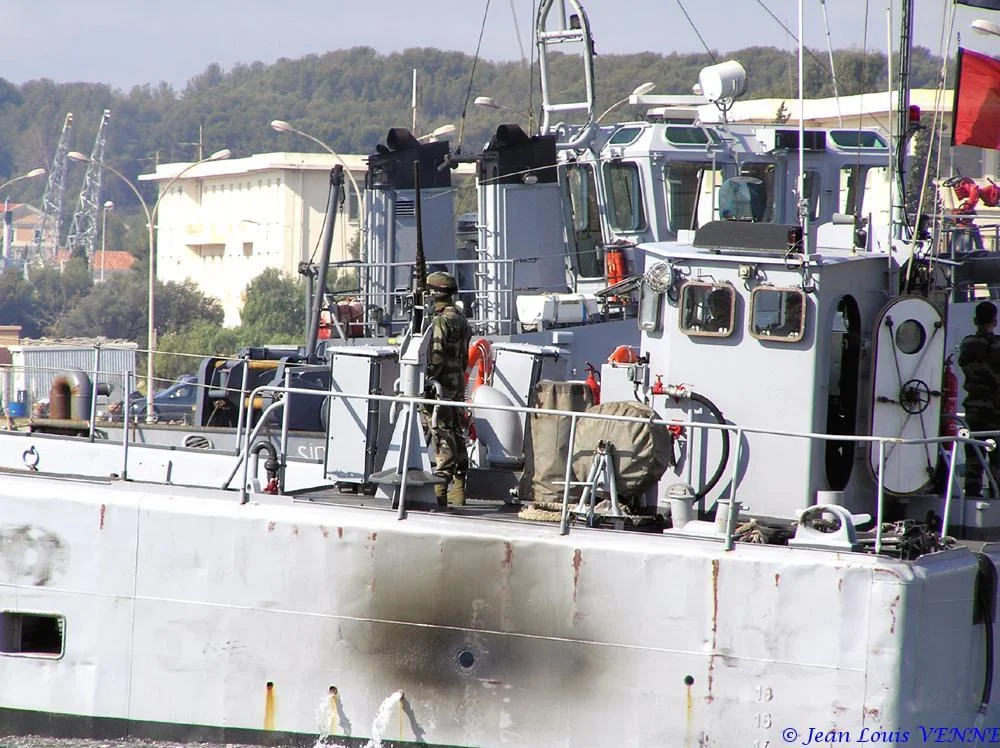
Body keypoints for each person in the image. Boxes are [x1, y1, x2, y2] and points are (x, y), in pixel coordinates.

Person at [423, 271, 472, 507]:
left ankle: (440, 489)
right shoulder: (461, 318)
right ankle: (459, 488)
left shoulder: (441, 320)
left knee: (441, 432)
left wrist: (429, 379)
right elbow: (464, 356)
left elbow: (437, 353)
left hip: (441, 386)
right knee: (456, 431)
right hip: (457, 383)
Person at [958, 301, 1000, 497]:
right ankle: (997, 498)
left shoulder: (968, 344)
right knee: (998, 461)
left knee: (974, 458)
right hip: (997, 410)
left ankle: (972, 495)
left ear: (975, 320)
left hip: (975, 410)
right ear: (995, 321)